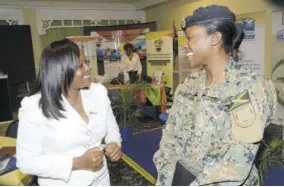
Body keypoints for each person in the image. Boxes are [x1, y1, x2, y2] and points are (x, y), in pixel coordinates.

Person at [154, 5, 277, 186]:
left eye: (190, 38)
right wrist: (166, 177)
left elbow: (236, 162)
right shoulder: (189, 84)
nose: (185, 46)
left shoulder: (246, 88)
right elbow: (170, 138)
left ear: (215, 38)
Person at [16, 39, 122, 186]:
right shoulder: (35, 107)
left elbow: (112, 130)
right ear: (60, 72)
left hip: (101, 180)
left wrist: (114, 144)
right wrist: (76, 163)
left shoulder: (98, 92)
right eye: (80, 65)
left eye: (86, 63)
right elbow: (26, 162)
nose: (87, 68)